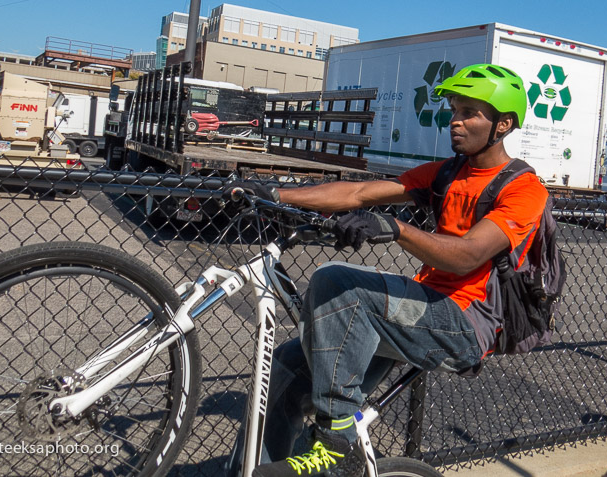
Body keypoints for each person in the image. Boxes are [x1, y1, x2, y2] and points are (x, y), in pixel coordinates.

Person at [229, 64, 550, 477]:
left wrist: (394, 227)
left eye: (470, 112)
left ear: (503, 124)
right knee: (286, 369)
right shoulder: (447, 173)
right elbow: (359, 192)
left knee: (336, 282)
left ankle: (336, 443)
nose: (454, 120)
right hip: (423, 305)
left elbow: (468, 255)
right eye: (453, 110)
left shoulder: (523, 189)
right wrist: (274, 191)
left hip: (466, 323)